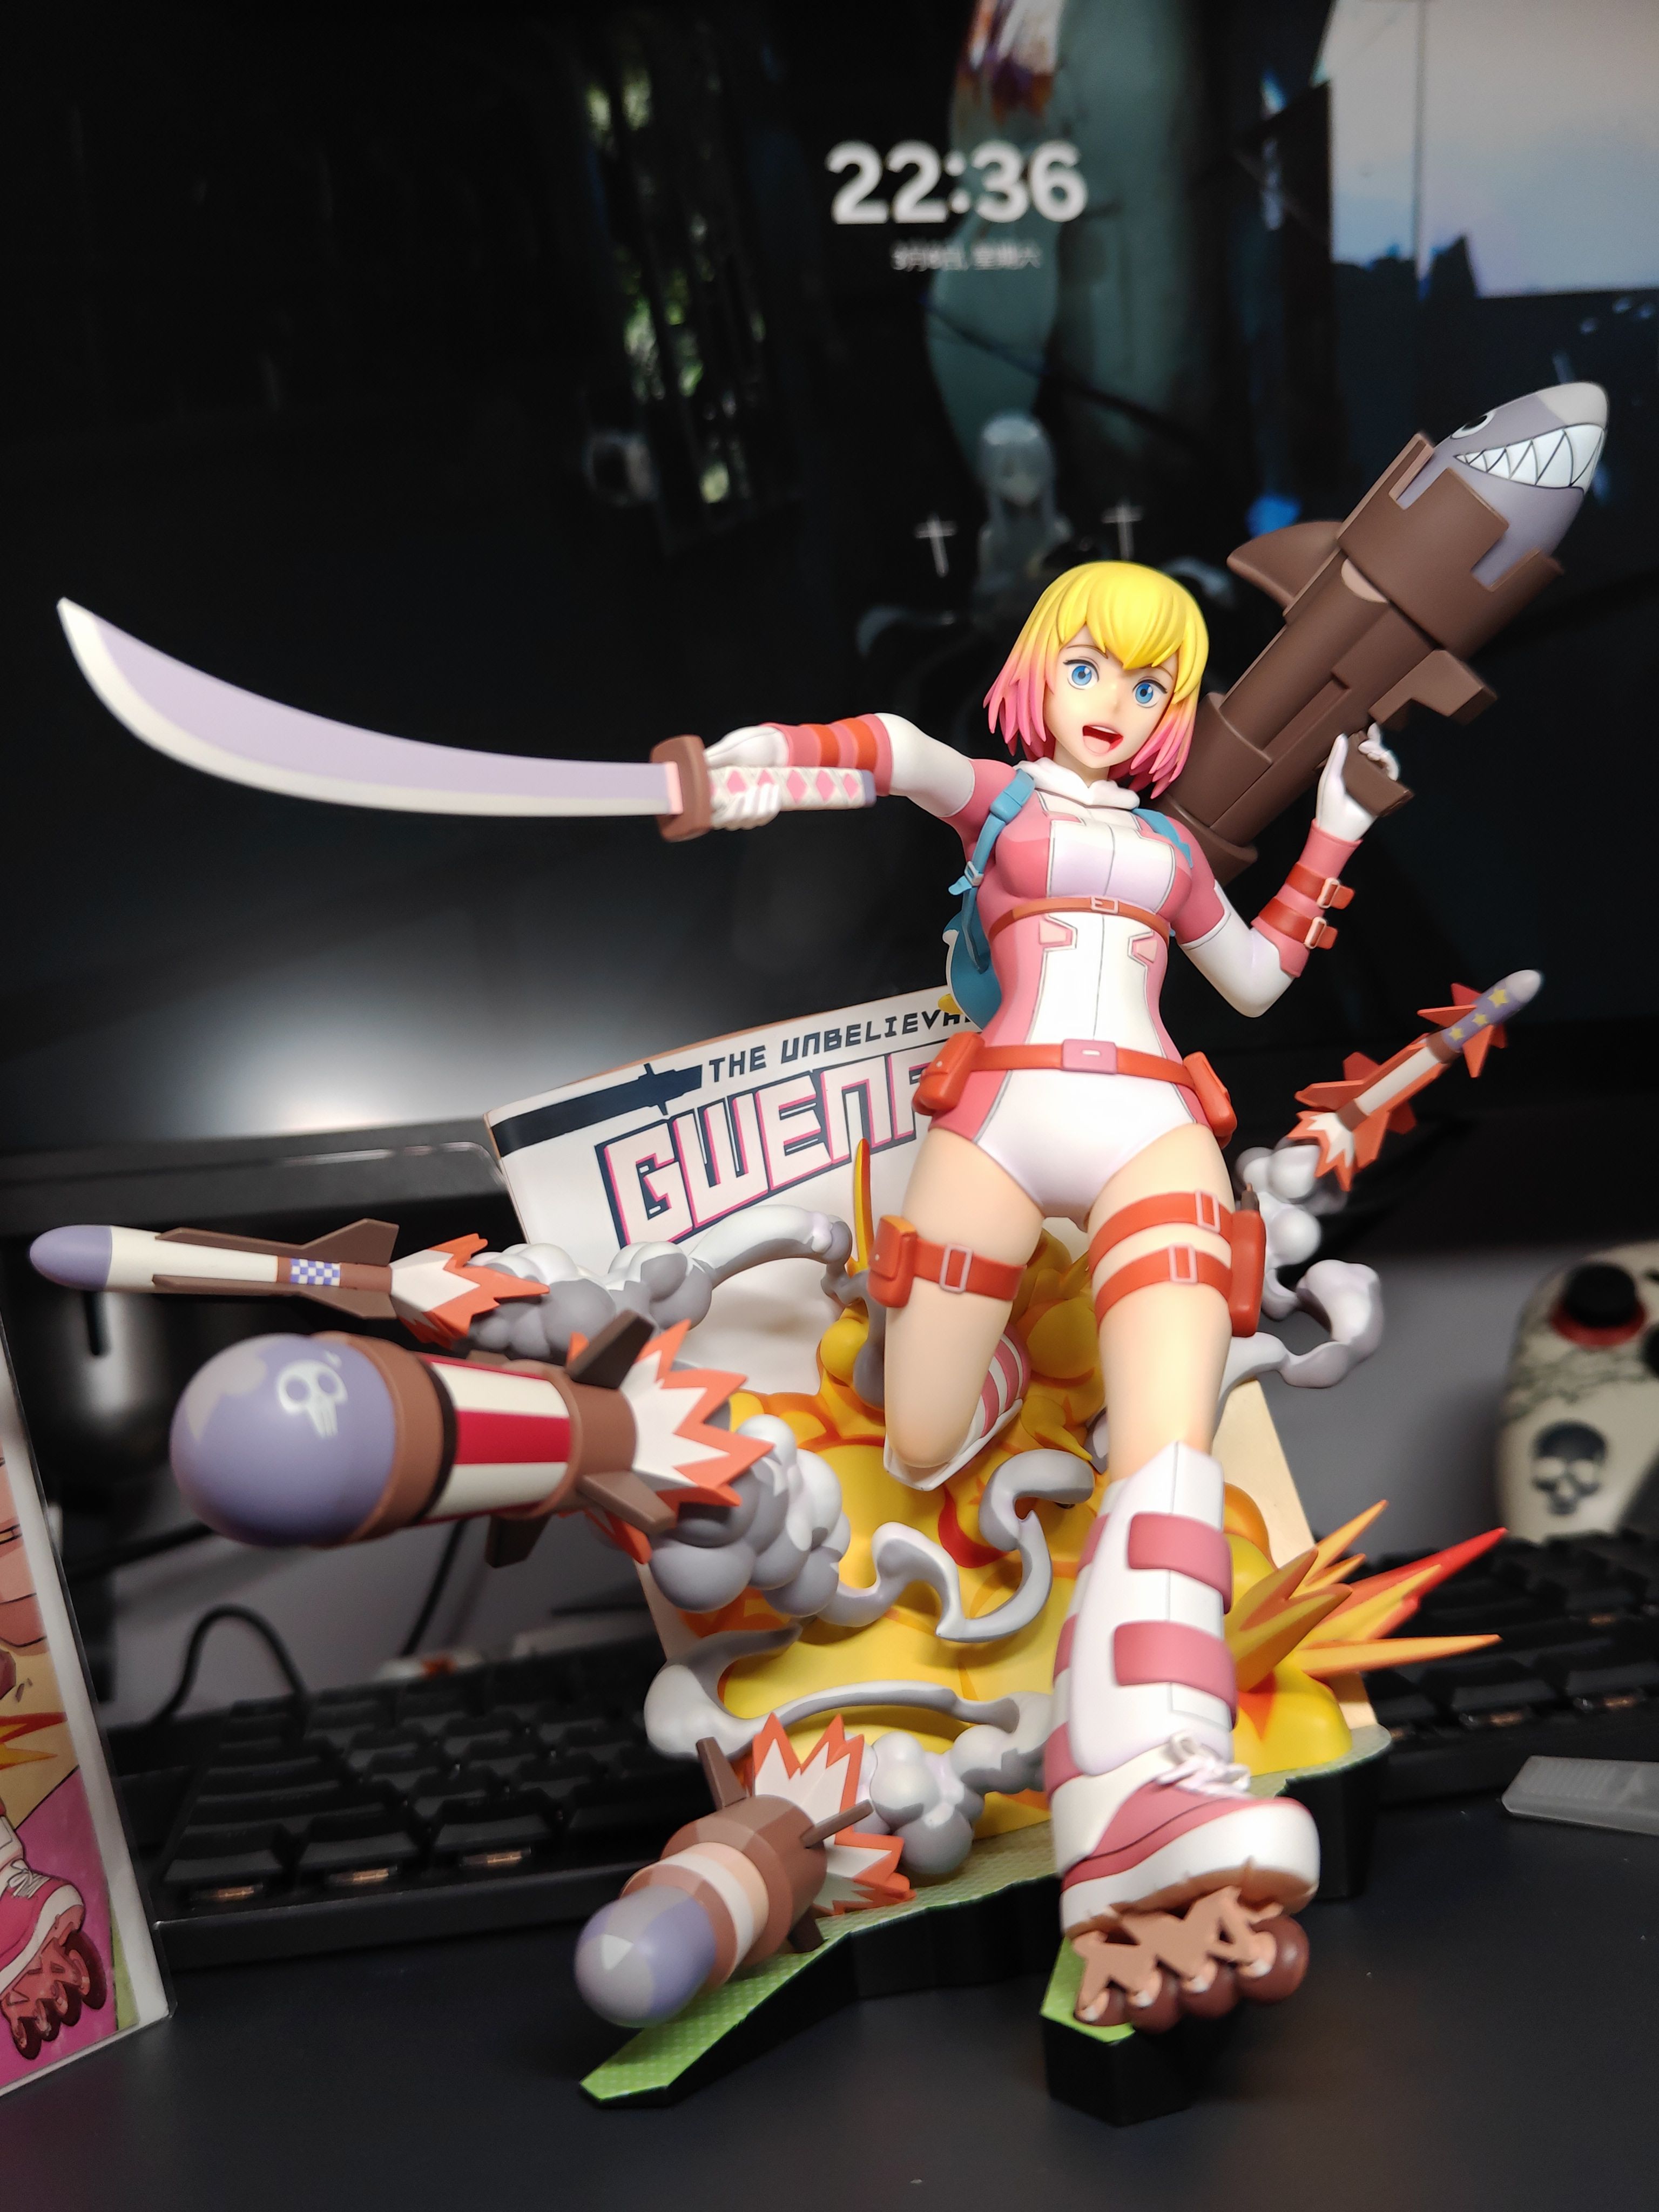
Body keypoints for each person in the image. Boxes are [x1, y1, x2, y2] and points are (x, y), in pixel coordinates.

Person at [700, 560, 1399, 2018]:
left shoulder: (1173, 851)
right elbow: (899, 751)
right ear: (1038, 670)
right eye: (1088, 668)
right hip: (1000, 1116)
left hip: (1150, 1123)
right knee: (918, 1439)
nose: (1113, 705)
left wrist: (1336, 825)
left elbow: (1258, 982)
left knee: (1171, 1448)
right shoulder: (1003, 805)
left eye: (1148, 685)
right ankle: (1008, 1374)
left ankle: (1139, 1774)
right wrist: (772, 762)